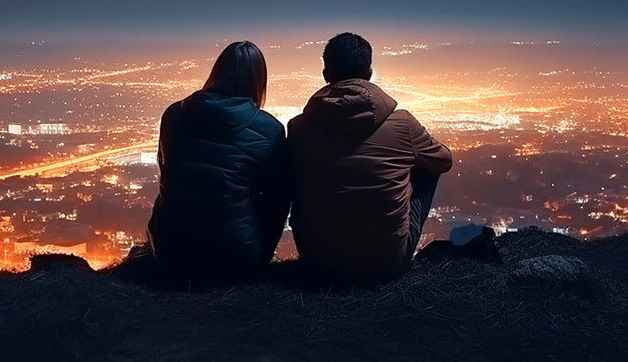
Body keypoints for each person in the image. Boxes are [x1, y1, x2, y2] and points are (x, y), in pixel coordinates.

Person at [287, 32, 452, 281]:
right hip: (385, 263)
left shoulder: (299, 127)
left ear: (325, 75)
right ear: (369, 73)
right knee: (427, 165)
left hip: (318, 260)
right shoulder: (402, 124)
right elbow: (444, 161)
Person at [145, 40, 291, 282]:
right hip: (234, 256)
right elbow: (277, 200)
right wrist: (260, 251)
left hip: (171, 249)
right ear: (259, 80)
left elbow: (167, 173)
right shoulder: (269, 129)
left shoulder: (173, 115)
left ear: (217, 72)